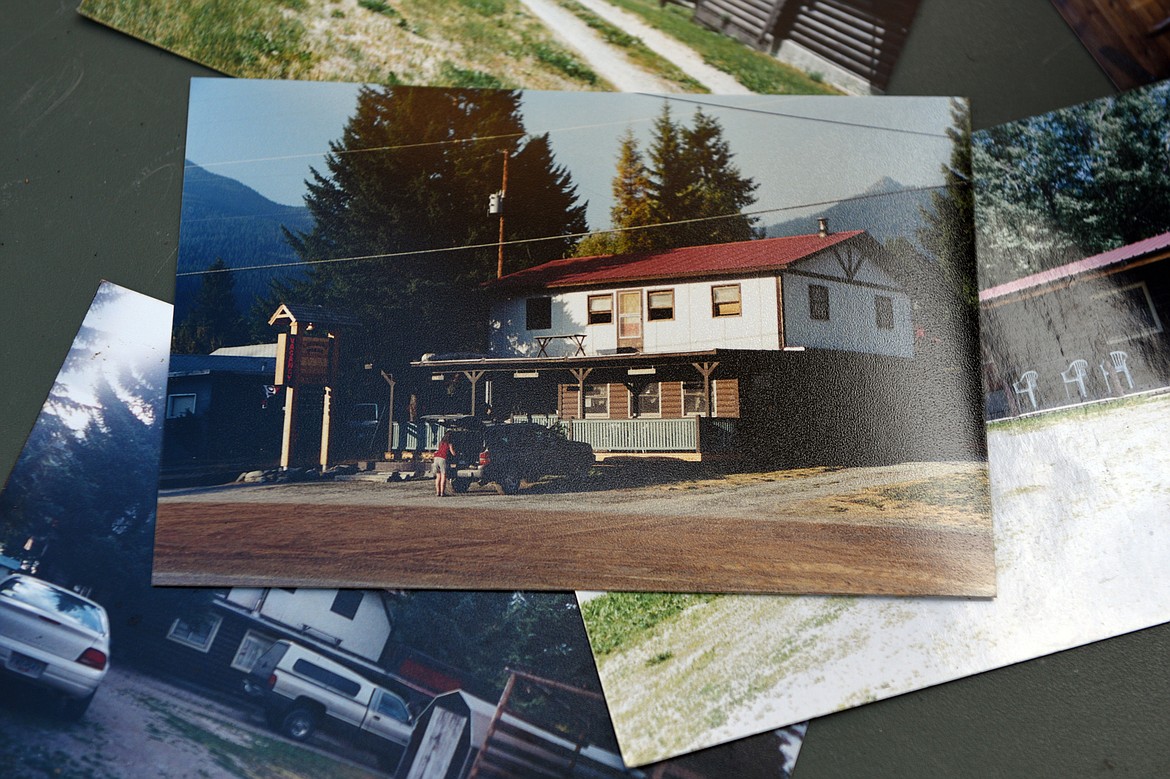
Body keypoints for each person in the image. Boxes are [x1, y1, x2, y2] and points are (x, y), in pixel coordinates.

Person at [434, 432, 456, 497]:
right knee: (443, 476)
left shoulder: (440, 443)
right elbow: (453, 453)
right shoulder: (449, 443)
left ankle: (437, 492)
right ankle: (442, 493)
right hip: (443, 459)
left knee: (438, 476)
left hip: (436, 458)